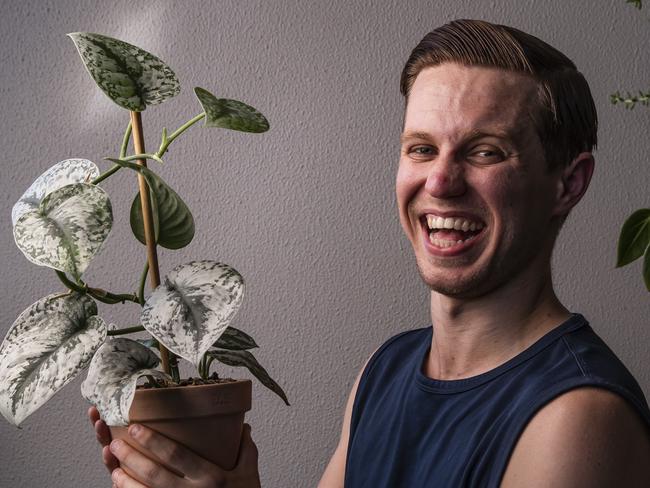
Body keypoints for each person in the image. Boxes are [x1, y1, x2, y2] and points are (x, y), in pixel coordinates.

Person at [91, 19, 650, 487]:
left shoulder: (577, 418)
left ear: (568, 185)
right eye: (422, 148)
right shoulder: (384, 371)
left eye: (485, 151)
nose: (442, 180)